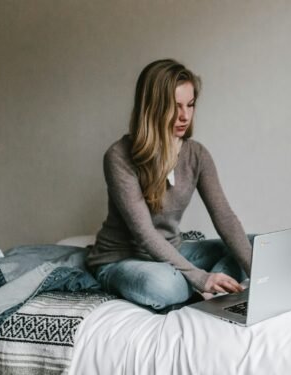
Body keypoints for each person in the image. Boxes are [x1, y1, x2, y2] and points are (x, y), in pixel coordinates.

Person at [86, 59, 253, 312]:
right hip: (122, 259)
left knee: (256, 245)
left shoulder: (196, 154)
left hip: (174, 251)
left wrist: (259, 273)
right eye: (174, 107)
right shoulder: (118, 156)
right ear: (152, 107)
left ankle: (217, 289)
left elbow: (225, 218)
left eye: (190, 105)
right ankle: (205, 285)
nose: (185, 116)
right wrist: (200, 277)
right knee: (164, 286)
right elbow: (144, 234)